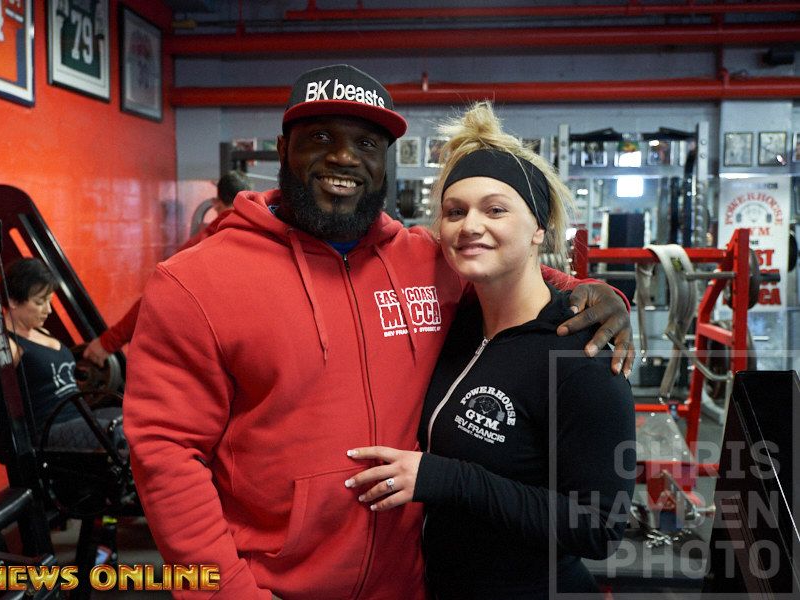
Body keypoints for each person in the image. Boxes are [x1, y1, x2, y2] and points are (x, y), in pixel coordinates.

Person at [124, 64, 633, 599]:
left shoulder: (425, 262)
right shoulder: (195, 282)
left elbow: (507, 270)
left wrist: (594, 295)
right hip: (270, 589)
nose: (344, 157)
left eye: (366, 143)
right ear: (283, 148)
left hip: (408, 586)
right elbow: (166, 456)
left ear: (384, 161)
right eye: (321, 137)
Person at [346, 102, 635, 598]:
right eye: (455, 212)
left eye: (495, 210)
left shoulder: (580, 355)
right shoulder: (456, 325)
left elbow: (598, 527)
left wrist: (448, 479)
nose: (470, 226)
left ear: (539, 228)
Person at [82, 170, 252, 367]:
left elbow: (156, 299)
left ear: (216, 203)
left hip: (218, 357)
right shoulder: (265, 240)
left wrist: (108, 343)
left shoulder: (201, 246)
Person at [0, 258, 125, 452]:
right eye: (40, 302)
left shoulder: (41, 331)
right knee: (120, 432)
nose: (48, 310)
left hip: (81, 416)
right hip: (49, 430)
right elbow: (4, 408)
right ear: (13, 301)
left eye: (49, 301)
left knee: (139, 419)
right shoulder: (6, 346)